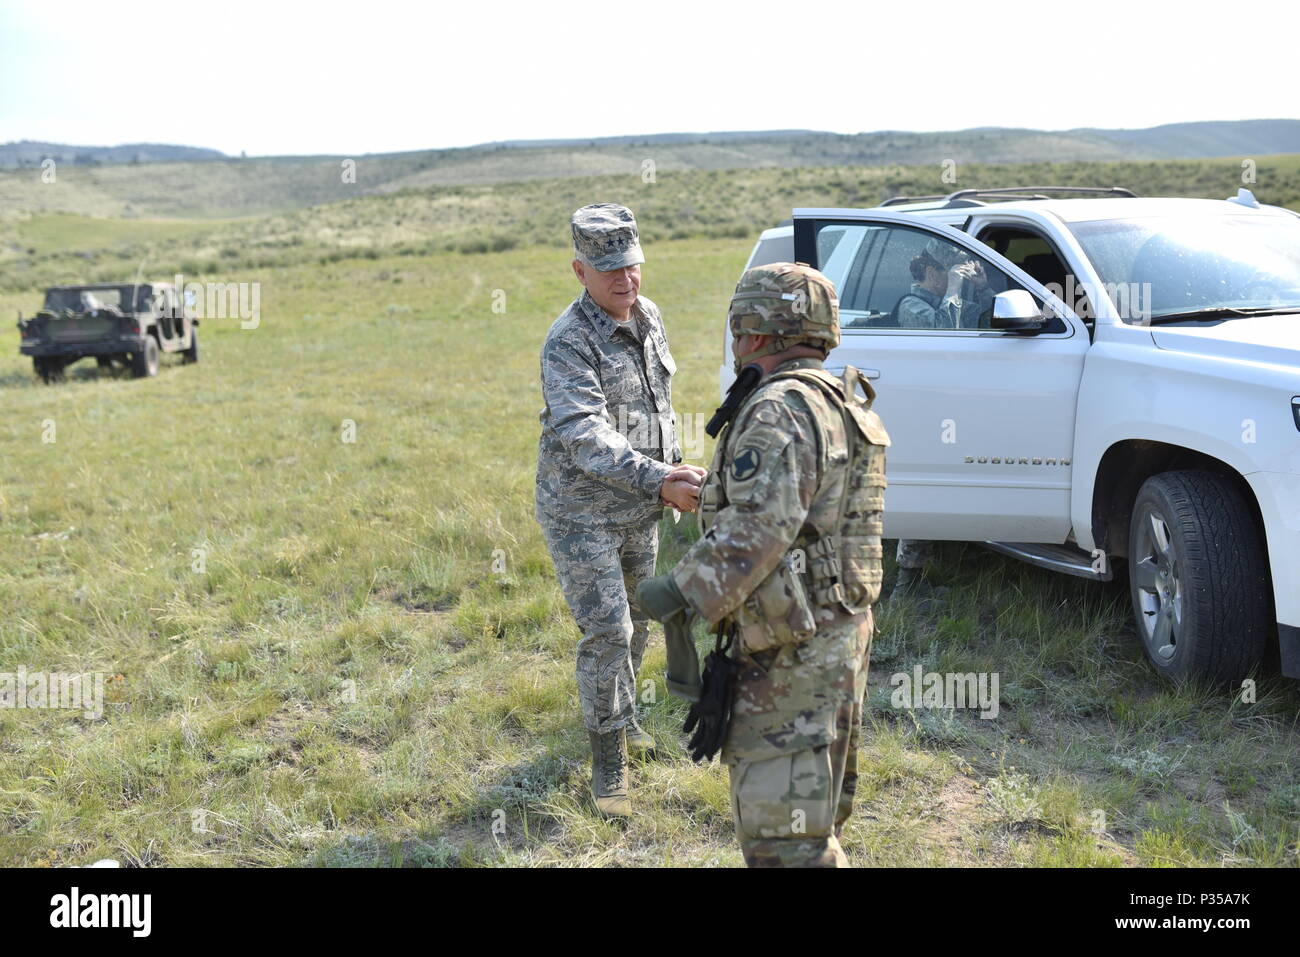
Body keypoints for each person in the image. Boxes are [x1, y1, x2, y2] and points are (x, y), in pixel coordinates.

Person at [639, 262, 890, 867]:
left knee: (787, 847)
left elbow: (761, 529)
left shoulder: (778, 409)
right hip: (834, 640)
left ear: (752, 333)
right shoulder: (839, 400)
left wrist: (679, 590)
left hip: (790, 660)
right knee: (815, 828)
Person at [535, 203, 706, 817]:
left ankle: (625, 720)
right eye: (609, 271)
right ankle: (609, 766)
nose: (625, 281)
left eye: (632, 266)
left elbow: (657, 404)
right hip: (581, 511)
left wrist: (675, 465)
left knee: (640, 618)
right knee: (609, 631)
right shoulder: (568, 341)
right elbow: (586, 434)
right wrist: (661, 478)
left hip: (640, 504)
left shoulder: (649, 315)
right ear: (579, 271)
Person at [894, 238, 996, 330]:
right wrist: (952, 290)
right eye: (958, 273)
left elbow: (990, 324)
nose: (963, 278)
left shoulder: (951, 304)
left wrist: (983, 288)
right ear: (932, 274)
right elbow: (945, 338)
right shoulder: (911, 307)